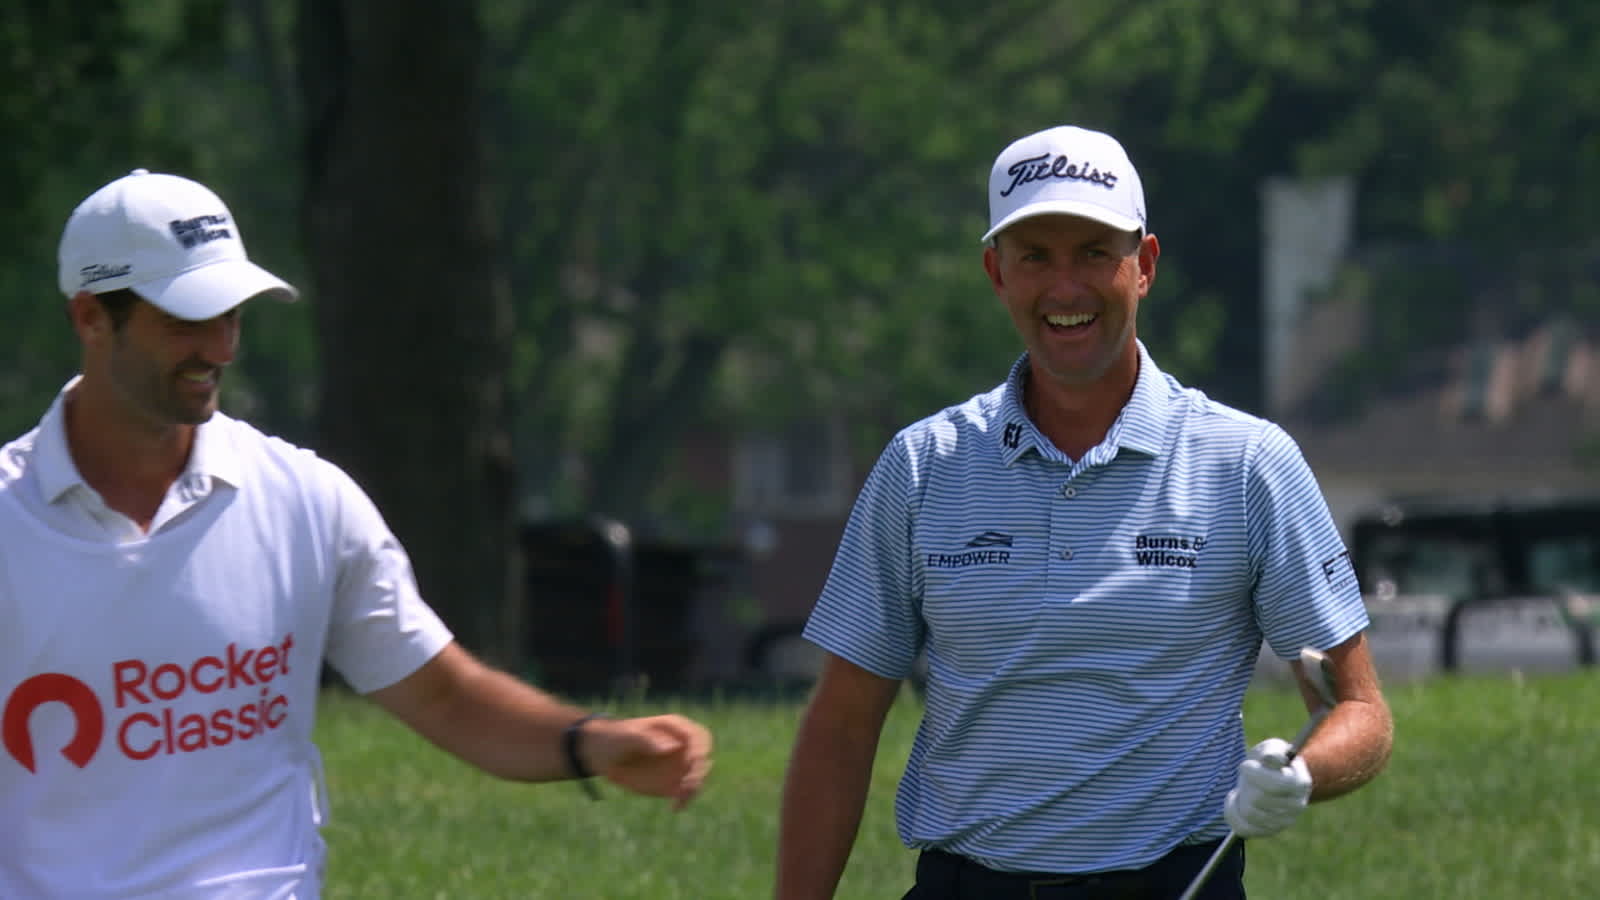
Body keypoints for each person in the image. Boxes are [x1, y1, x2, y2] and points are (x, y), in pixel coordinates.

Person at [0, 168, 713, 899]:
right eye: (187, 318)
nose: (220, 347)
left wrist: (587, 742)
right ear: (90, 317)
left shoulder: (305, 501)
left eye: (234, 315)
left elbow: (443, 696)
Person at [774, 125, 1393, 900]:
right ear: (997, 273)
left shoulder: (1247, 464)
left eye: (1095, 253)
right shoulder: (922, 466)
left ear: (1145, 267)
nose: (1065, 289)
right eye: (1036, 257)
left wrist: (1303, 771)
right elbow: (840, 728)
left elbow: (1361, 712)